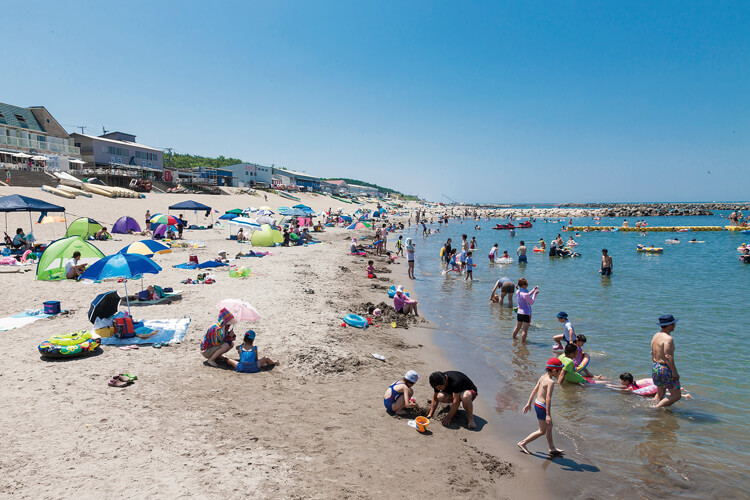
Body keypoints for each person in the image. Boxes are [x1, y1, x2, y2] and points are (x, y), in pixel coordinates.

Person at [518, 358, 565, 455]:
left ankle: (552, 448)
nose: (560, 373)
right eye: (559, 371)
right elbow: (548, 398)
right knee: (542, 431)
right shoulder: (551, 382)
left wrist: (529, 403)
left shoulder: (543, 377)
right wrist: (548, 414)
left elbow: (535, 390)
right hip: (543, 407)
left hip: (537, 404)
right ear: (554, 371)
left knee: (549, 426)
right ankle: (522, 443)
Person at [651, 315, 682, 408]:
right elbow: (668, 356)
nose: (675, 325)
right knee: (676, 395)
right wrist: (674, 372)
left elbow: (652, 352)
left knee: (660, 393)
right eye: (673, 324)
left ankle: (652, 406)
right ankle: (655, 409)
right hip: (665, 368)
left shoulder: (656, 335)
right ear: (669, 325)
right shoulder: (668, 338)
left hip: (656, 366)